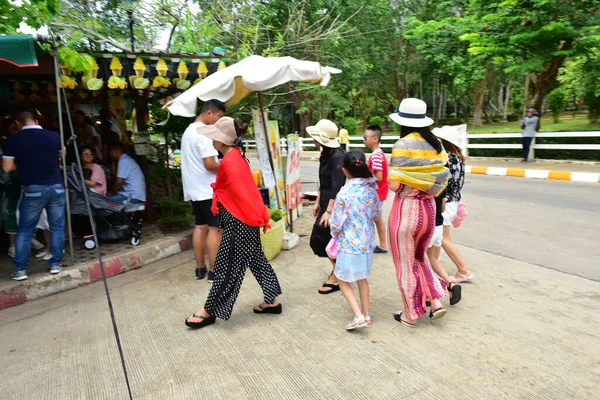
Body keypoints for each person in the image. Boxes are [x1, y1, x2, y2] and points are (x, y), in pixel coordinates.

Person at [185, 117, 282, 329]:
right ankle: (272, 300)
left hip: (240, 221)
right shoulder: (236, 157)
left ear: (223, 140)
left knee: (225, 267)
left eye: (214, 137)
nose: (211, 140)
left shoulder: (230, 162)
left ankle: (209, 310)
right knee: (257, 261)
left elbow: (240, 195)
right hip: (245, 220)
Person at [386, 98, 450, 327]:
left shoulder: (403, 143)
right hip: (429, 209)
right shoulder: (436, 144)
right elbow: (440, 179)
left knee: (405, 264)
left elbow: (394, 185)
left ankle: (410, 314)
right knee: (419, 257)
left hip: (407, 209)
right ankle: (435, 301)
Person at [2, 110, 66, 280]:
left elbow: (7, 168)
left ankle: (21, 270)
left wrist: (22, 163)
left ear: (17, 123)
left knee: (25, 230)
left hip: (33, 190)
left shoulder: (13, 140)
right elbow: (62, 155)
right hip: (56, 187)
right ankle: (55, 264)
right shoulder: (53, 135)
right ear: (37, 120)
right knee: (57, 227)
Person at [329, 151, 381, 330]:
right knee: (362, 278)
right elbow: (375, 215)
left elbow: (336, 224)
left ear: (344, 170)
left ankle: (358, 316)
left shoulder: (344, 194)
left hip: (349, 243)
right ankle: (366, 315)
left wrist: (334, 230)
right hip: (367, 243)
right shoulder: (371, 190)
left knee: (343, 279)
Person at [180, 99, 226, 282]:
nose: (219, 121)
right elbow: (209, 164)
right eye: (219, 116)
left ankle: (200, 269)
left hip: (193, 188)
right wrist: (225, 167)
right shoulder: (204, 133)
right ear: (209, 113)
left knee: (200, 226)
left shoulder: (188, 131)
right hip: (208, 190)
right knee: (215, 228)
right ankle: (215, 272)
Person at [307, 119, 346, 295]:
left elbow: (337, 187)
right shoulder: (326, 154)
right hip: (325, 204)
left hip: (334, 206)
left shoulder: (337, 157)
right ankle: (339, 271)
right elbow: (324, 184)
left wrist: (329, 211)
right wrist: (317, 203)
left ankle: (338, 275)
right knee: (321, 241)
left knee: (323, 239)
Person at [432, 126, 475, 283]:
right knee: (439, 239)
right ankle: (434, 266)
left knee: (443, 239)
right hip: (454, 201)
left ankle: (463, 271)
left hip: (446, 202)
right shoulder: (458, 157)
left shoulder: (447, 159)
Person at [426, 188, 462, 306]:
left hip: (428, 226)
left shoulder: (423, 184)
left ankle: (430, 293)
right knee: (432, 258)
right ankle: (450, 284)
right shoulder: (440, 185)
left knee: (421, 262)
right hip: (438, 226)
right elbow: (442, 208)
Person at [363, 124, 389, 253]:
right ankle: (383, 244)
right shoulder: (379, 153)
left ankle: (376, 244)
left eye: (365, 136)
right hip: (380, 192)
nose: (363, 139)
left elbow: (378, 177)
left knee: (372, 219)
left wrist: (365, 175)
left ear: (375, 139)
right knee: (378, 219)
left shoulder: (376, 156)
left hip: (376, 193)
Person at [0, 117, 20, 258]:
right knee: (10, 212)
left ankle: (25, 240)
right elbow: (6, 167)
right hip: (8, 182)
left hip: (18, 181)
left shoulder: (16, 141)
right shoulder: (6, 142)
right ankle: (13, 246)